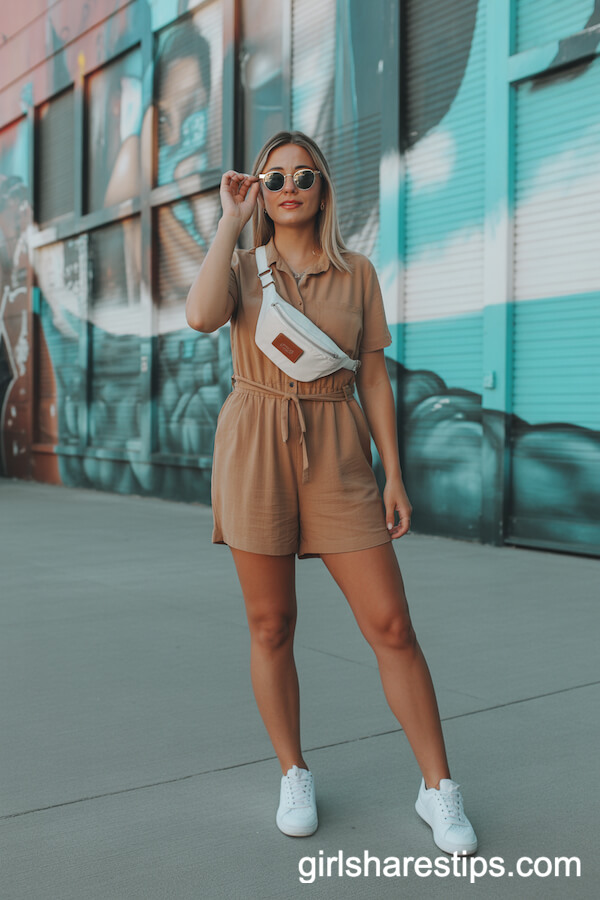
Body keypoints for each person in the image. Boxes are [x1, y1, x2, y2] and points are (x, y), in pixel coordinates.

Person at [185, 131, 478, 855]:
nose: (288, 187)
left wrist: (394, 472)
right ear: (258, 187)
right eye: (273, 177)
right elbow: (199, 315)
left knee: (392, 625)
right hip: (255, 439)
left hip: (339, 450)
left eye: (303, 175)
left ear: (323, 189)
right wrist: (229, 219)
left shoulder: (358, 273)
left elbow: (374, 378)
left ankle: (438, 788)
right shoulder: (245, 269)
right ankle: (294, 771)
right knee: (271, 625)